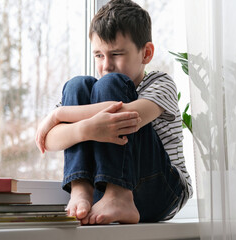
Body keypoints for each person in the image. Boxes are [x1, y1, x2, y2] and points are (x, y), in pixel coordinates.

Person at [35, 0, 192, 225]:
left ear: (146, 53)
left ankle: (118, 195)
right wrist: (84, 129)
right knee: (77, 85)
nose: (106, 65)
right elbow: (49, 140)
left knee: (111, 84)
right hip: (103, 189)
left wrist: (57, 116)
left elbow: (127, 117)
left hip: (162, 190)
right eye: (99, 55)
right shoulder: (90, 94)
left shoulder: (161, 83)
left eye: (116, 54)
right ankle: (81, 188)